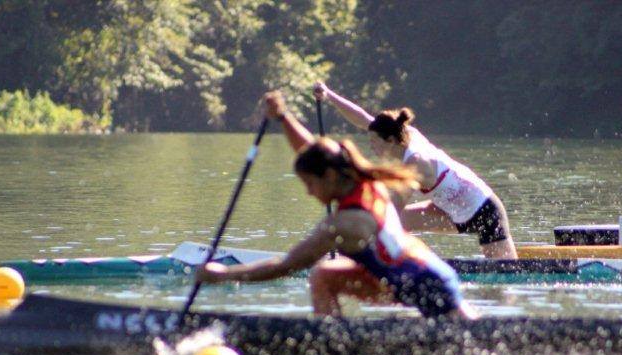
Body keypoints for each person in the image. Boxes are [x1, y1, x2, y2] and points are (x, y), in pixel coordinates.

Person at [196, 92, 476, 319]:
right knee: (324, 275)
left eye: (310, 184)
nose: (308, 193)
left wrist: (223, 275)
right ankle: (335, 337)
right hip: (417, 278)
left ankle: (335, 343)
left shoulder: (343, 223)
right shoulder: (364, 181)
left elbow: (286, 265)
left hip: (430, 288)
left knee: (320, 273)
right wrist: (282, 117)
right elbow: (314, 150)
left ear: (329, 177)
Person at [314, 82, 518, 259]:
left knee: (505, 275)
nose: (371, 147)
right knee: (396, 222)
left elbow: (393, 206)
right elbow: (362, 119)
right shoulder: (404, 133)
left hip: (484, 212)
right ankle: (376, 259)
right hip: (449, 211)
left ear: (391, 141)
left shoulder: (416, 163)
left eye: (374, 142)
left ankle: (383, 259)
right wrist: (329, 95)